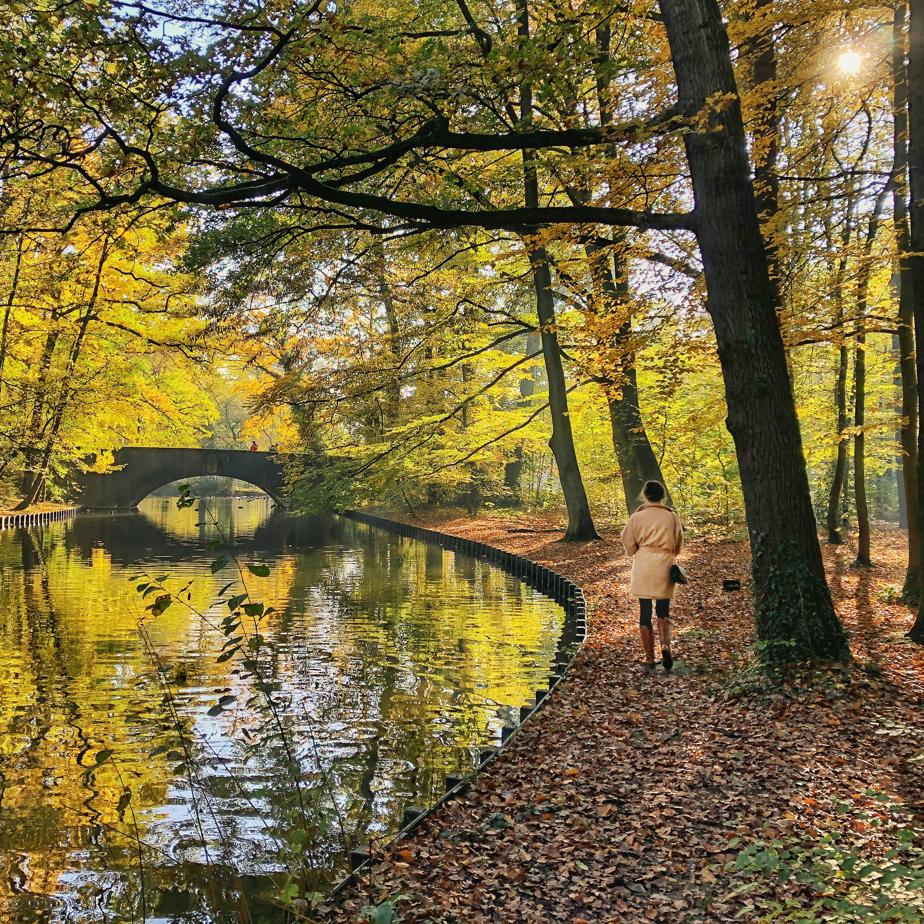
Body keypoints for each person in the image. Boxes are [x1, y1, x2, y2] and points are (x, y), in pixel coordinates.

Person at [620, 480, 683, 672]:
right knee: (663, 609)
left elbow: (627, 540)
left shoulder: (637, 517)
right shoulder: (672, 517)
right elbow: (678, 542)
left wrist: (636, 551)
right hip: (665, 562)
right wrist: (671, 553)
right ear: (662, 495)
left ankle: (649, 657)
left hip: (644, 564)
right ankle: (665, 646)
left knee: (644, 609)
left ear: (645, 495)